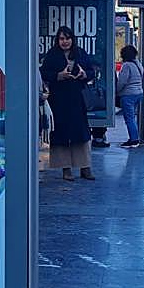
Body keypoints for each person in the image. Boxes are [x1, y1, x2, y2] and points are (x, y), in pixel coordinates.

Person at [39, 26, 96, 181]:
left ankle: (85, 167)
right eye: (61, 39)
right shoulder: (52, 55)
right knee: (61, 134)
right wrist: (58, 75)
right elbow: (44, 73)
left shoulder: (80, 53)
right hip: (59, 100)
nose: (65, 42)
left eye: (67, 38)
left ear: (72, 39)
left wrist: (85, 75)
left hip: (77, 99)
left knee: (81, 134)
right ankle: (66, 169)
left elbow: (92, 71)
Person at [115, 44, 143, 147]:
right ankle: (134, 137)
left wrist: (117, 91)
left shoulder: (126, 65)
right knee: (132, 117)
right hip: (138, 93)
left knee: (129, 118)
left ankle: (134, 140)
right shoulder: (138, 64)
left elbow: (122, 81)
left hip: (128, 94)